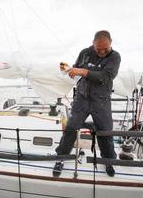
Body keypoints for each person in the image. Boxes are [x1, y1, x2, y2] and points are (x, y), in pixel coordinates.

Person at [53, 30, 121, 177]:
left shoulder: (115, 57)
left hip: (101, 101)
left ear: (111, 43)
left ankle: (108, 161)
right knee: (70, 129)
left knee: (105, 132)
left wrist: (83, 71)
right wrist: (71, 70)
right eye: (99, 49)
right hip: (82, 98)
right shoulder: (85, 52)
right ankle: (61, 158)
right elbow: (77, 67)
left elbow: (106, 77)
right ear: (93, 44)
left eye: (106, 48)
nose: (102, 52)